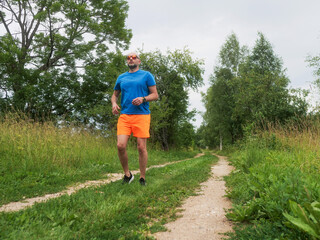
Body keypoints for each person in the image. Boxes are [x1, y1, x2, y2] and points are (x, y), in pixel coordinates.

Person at [111, 52, 158, 186]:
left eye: (134, 57)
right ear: (127, 62)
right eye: (128, 58)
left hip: (142, 115)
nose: (131, 59)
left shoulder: (146, 75)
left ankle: (142, 178)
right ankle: (128, 174)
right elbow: (114, 96)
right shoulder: (121, 77)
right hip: (125, 115)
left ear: (139, 61)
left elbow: (155, 95)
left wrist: (143, 99)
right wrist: (114, 104)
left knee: (141, 147)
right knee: (120, 146)